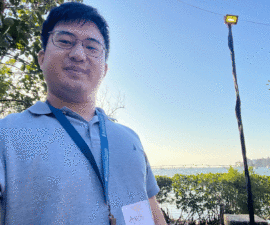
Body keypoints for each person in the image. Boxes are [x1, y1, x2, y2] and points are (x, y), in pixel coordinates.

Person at [0, 2, 166, 224]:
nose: (78, 54)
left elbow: (152, 212)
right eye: (65, 41)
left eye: (92, 47)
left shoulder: (130, 138)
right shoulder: (6, 134)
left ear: (105, 69)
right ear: (41, 58)